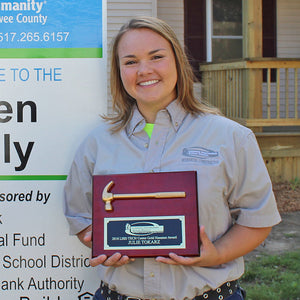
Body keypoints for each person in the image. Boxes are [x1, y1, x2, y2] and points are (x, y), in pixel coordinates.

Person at [64, 16, 281, 300]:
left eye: (156, 57)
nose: (144, 70)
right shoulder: (97, 143)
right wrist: (104, 245)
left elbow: (257, 218)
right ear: (119, 72)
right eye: (130, 62)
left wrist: (215, 255)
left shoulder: (232, 138)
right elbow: (81, 218)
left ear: (178, 61)